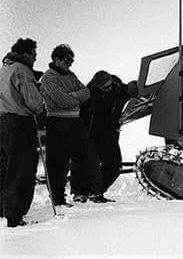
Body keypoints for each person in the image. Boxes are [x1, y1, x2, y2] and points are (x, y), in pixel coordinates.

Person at [71, 71, 138, 201]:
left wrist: (134, 88)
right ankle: (83, 191)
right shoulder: (88, 97)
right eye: (106, 88)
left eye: (110, 85)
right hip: (91, 134)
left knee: (114, 165)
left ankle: (96, 190)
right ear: (98, 87)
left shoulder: (117, 87)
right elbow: (82, 117)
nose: (110, 88)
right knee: (87, 164)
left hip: (110, 134)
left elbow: (129, 91)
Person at [0, 38, 46, 227]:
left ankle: (4, 211)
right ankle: (15, 216)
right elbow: (33, 102)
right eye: (34, 55)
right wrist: (42, 110)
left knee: (5, 167)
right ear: (25, 54)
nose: (35, 59)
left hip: (2, 122)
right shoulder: (22, 70)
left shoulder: (4, 70)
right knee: (22, 169)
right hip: (20, 123)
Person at [39, 44, 90, 206]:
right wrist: (76, 98)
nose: (70, 63)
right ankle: (58, 198)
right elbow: (62, 101)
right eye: (67, 60)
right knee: (58, 161)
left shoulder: (71, 75)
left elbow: (86, 92)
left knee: (80, 157)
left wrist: (73, 95)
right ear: (56, 59)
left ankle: (79, 192)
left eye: (71, 60)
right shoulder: (49, 78)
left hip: (75, 121)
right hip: (58, 122)